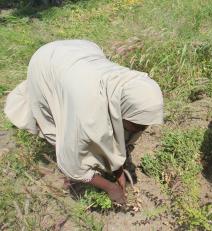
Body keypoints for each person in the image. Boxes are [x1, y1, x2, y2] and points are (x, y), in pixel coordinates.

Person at [4, 40, 164, 203]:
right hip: (48, 63)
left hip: (83, 52)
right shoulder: (86, 116)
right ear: (121, 110)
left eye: (145, 125)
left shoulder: (125, 87)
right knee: (60, 128)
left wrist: (119, 171)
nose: (141, 129)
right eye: (137, 125)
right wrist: (111, 188)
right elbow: (73, 166)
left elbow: (114, 137)